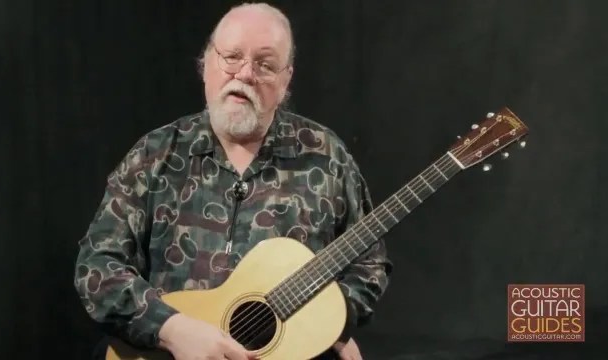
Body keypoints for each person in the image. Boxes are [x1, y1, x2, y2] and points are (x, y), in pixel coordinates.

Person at [74, 2, 392, 359]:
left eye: (265, 64)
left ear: (286, 79)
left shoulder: (326, 156)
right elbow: (98, 267)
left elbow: (368, 264)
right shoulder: (155, 154)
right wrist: (171, 328)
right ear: (205, 64)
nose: (245, 74)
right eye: (232, 57)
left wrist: (332, 322)